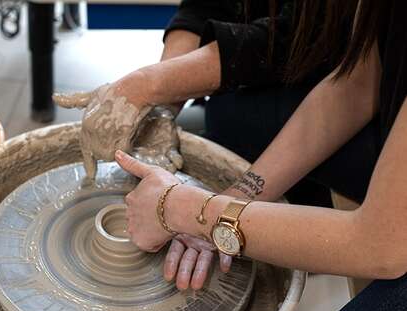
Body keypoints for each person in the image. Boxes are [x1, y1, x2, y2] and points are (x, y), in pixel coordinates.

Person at [112, 0, 407, 311]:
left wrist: (185, 208)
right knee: (231, 117)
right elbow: (357, 84)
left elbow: (381, 246)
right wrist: (237, 196)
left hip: (390, 243)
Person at [55, 0, 355, 290]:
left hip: (369, 138)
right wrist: (164, 105)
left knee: (235, 115)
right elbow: (203, 8)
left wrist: (200, 213)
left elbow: (307, 39)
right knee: (228, 114)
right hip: (335, 82)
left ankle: (296, 232)